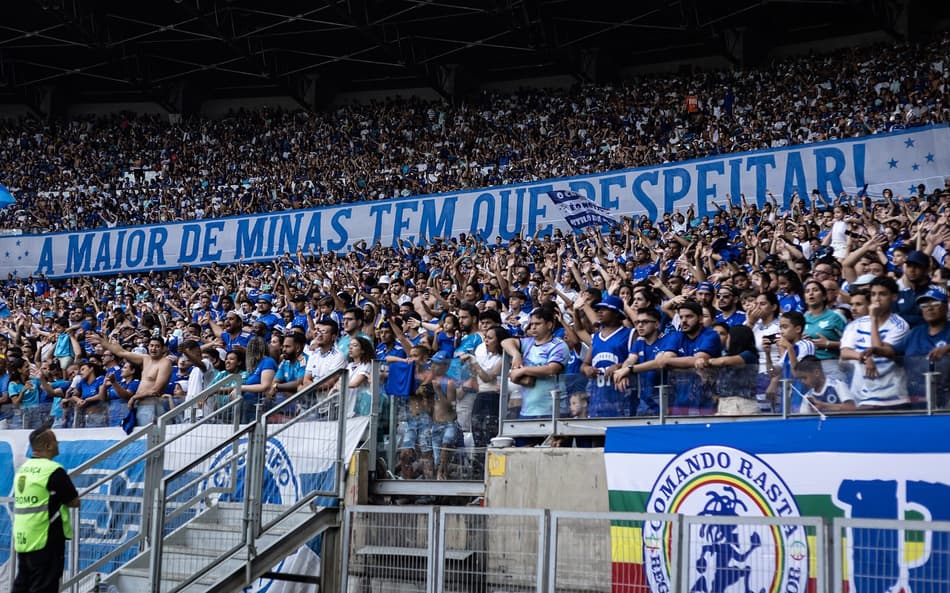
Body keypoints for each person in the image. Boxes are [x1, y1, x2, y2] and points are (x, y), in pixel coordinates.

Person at [12, 424, 80, 593]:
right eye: (55, 441)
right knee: (44, 587)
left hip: (24, 536)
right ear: (48, 446)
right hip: (46, 537)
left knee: (22, 583)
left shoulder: (23, 470)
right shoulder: (53, 470)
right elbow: (73, 501)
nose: (58, 444)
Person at [839, 276, 911, 410]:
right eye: (873, 294)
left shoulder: (900, 325)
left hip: (894, 397)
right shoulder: (856, 324)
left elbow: (879, 349)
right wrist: (864, 357)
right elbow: (844, 352)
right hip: (864, 397)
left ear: (894, 297)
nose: (877, 299)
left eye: (882, 294)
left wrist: (873, 319)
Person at [86, 334, 174, 426]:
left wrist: (134, 397)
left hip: (152, 405)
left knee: (149, 437)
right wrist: (102, 342)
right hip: (140, 406)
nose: (153, 349)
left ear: (163, 349)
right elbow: (121, 353)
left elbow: (156, 390)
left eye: (157, 346)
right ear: (148, 346)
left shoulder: (165, 363)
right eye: (152, 346)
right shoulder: (146, 358)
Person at [502, 305, 569, 419]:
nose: (533, 327)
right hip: (527, 411)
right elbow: (505, 342)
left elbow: (551, 369)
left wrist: (523, 370)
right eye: (531, 324)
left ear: (549, 325)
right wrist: (516, 354)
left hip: (552, 411)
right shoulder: (528, 343)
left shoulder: (559, 345)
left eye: (537, 324)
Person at [581, 295, 633, 417]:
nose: (599, 312)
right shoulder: (596, 337)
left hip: (622, 400)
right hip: (597, 400)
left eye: (604, 309)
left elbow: (639, 361)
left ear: (616, 313)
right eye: (598, 309)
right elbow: (584, 365)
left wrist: (620, 366)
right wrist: (587, 369)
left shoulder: (630, 334)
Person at [901, 288, 950, 408]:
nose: (929, 308)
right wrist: (876, 350)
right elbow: (893, 351)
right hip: (917, 397)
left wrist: (948, 348)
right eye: (924, 305)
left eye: (935, 304)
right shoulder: (915, 333)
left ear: (946, 307)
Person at [698, 325, 759, 416]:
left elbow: (723, 361)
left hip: (741, 403)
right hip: (725, 402)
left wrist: (708, 361)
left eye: (728, 337)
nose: (726, 341)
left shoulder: (749, 355)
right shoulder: (727, 355)